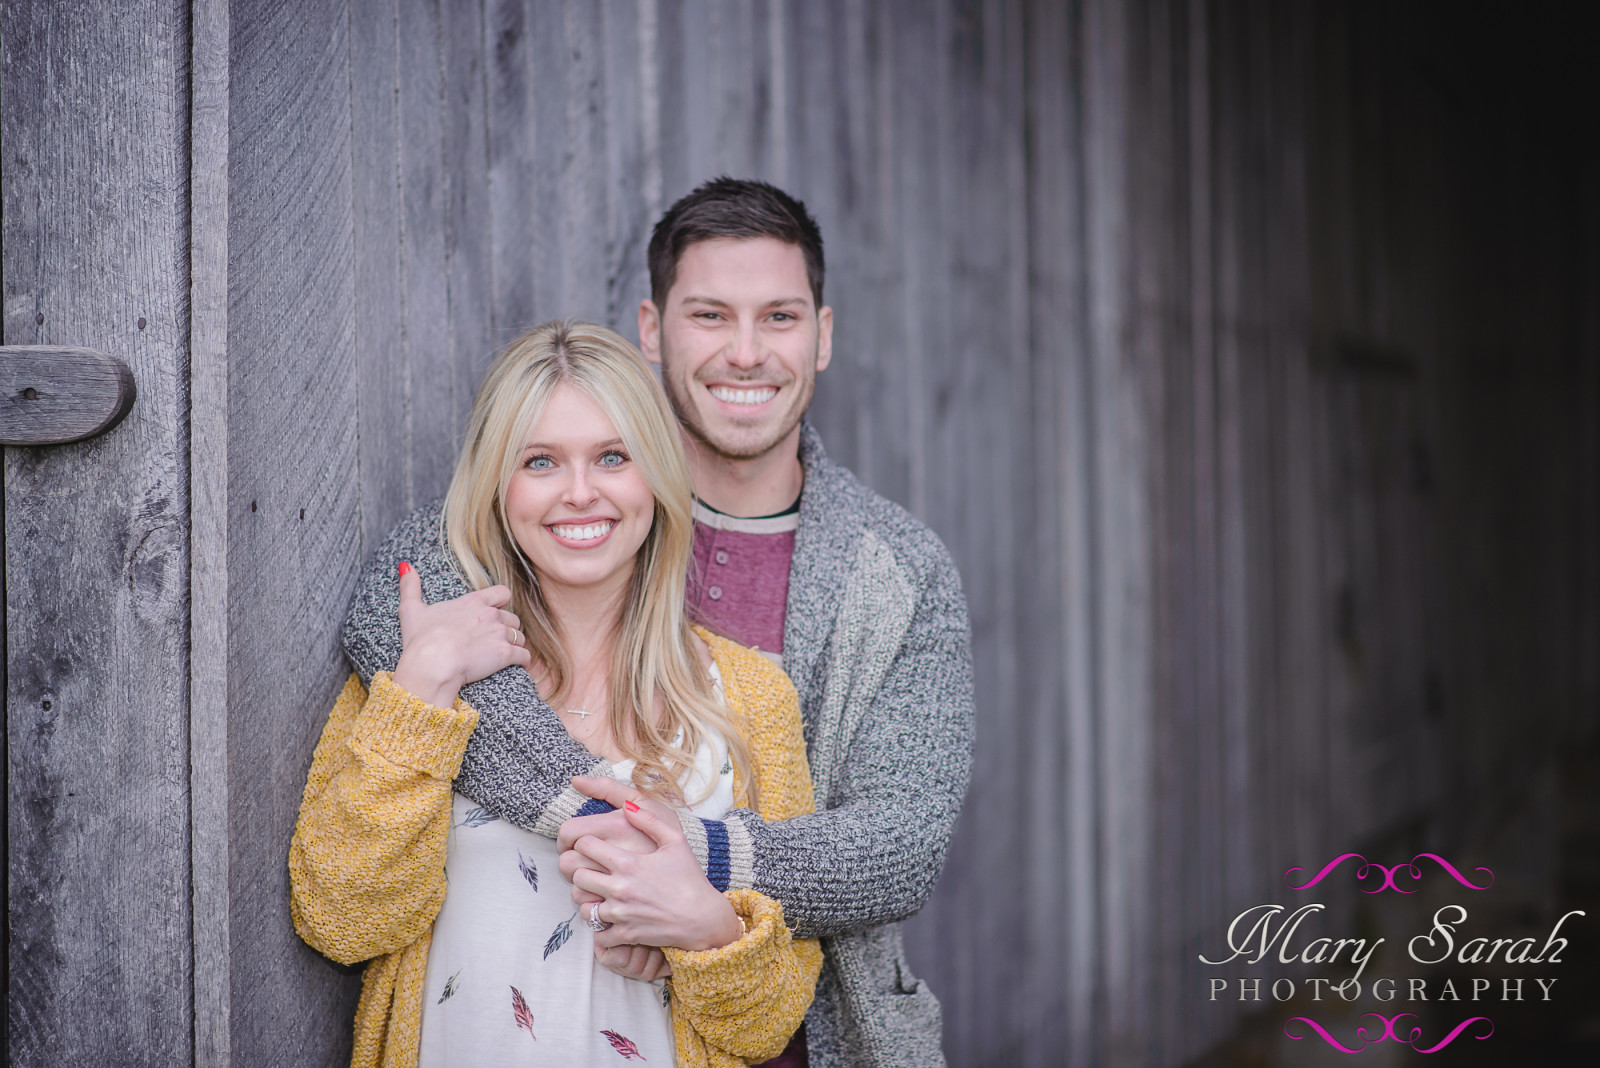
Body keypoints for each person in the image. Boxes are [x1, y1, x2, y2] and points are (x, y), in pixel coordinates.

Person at [343, 179, 975, 1067]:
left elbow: (900, 848)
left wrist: (691, 862)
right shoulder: (567, 518)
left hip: (807, 1036)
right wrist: (612, 839)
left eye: (781, 318)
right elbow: (391, 609)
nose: (746, 353)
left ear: (823, 337)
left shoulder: (897, 572)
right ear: (652, 331)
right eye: (710, 315)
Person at [291, 321, 822, 1067]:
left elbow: (768, 1025)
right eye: (540, 461)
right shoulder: (427, 675)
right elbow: (342, 920)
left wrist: (705, 934)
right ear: (498, 486)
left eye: (613, 457)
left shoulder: (749, 699)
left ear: (657, 476)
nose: (580, 493)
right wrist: (424, 682)